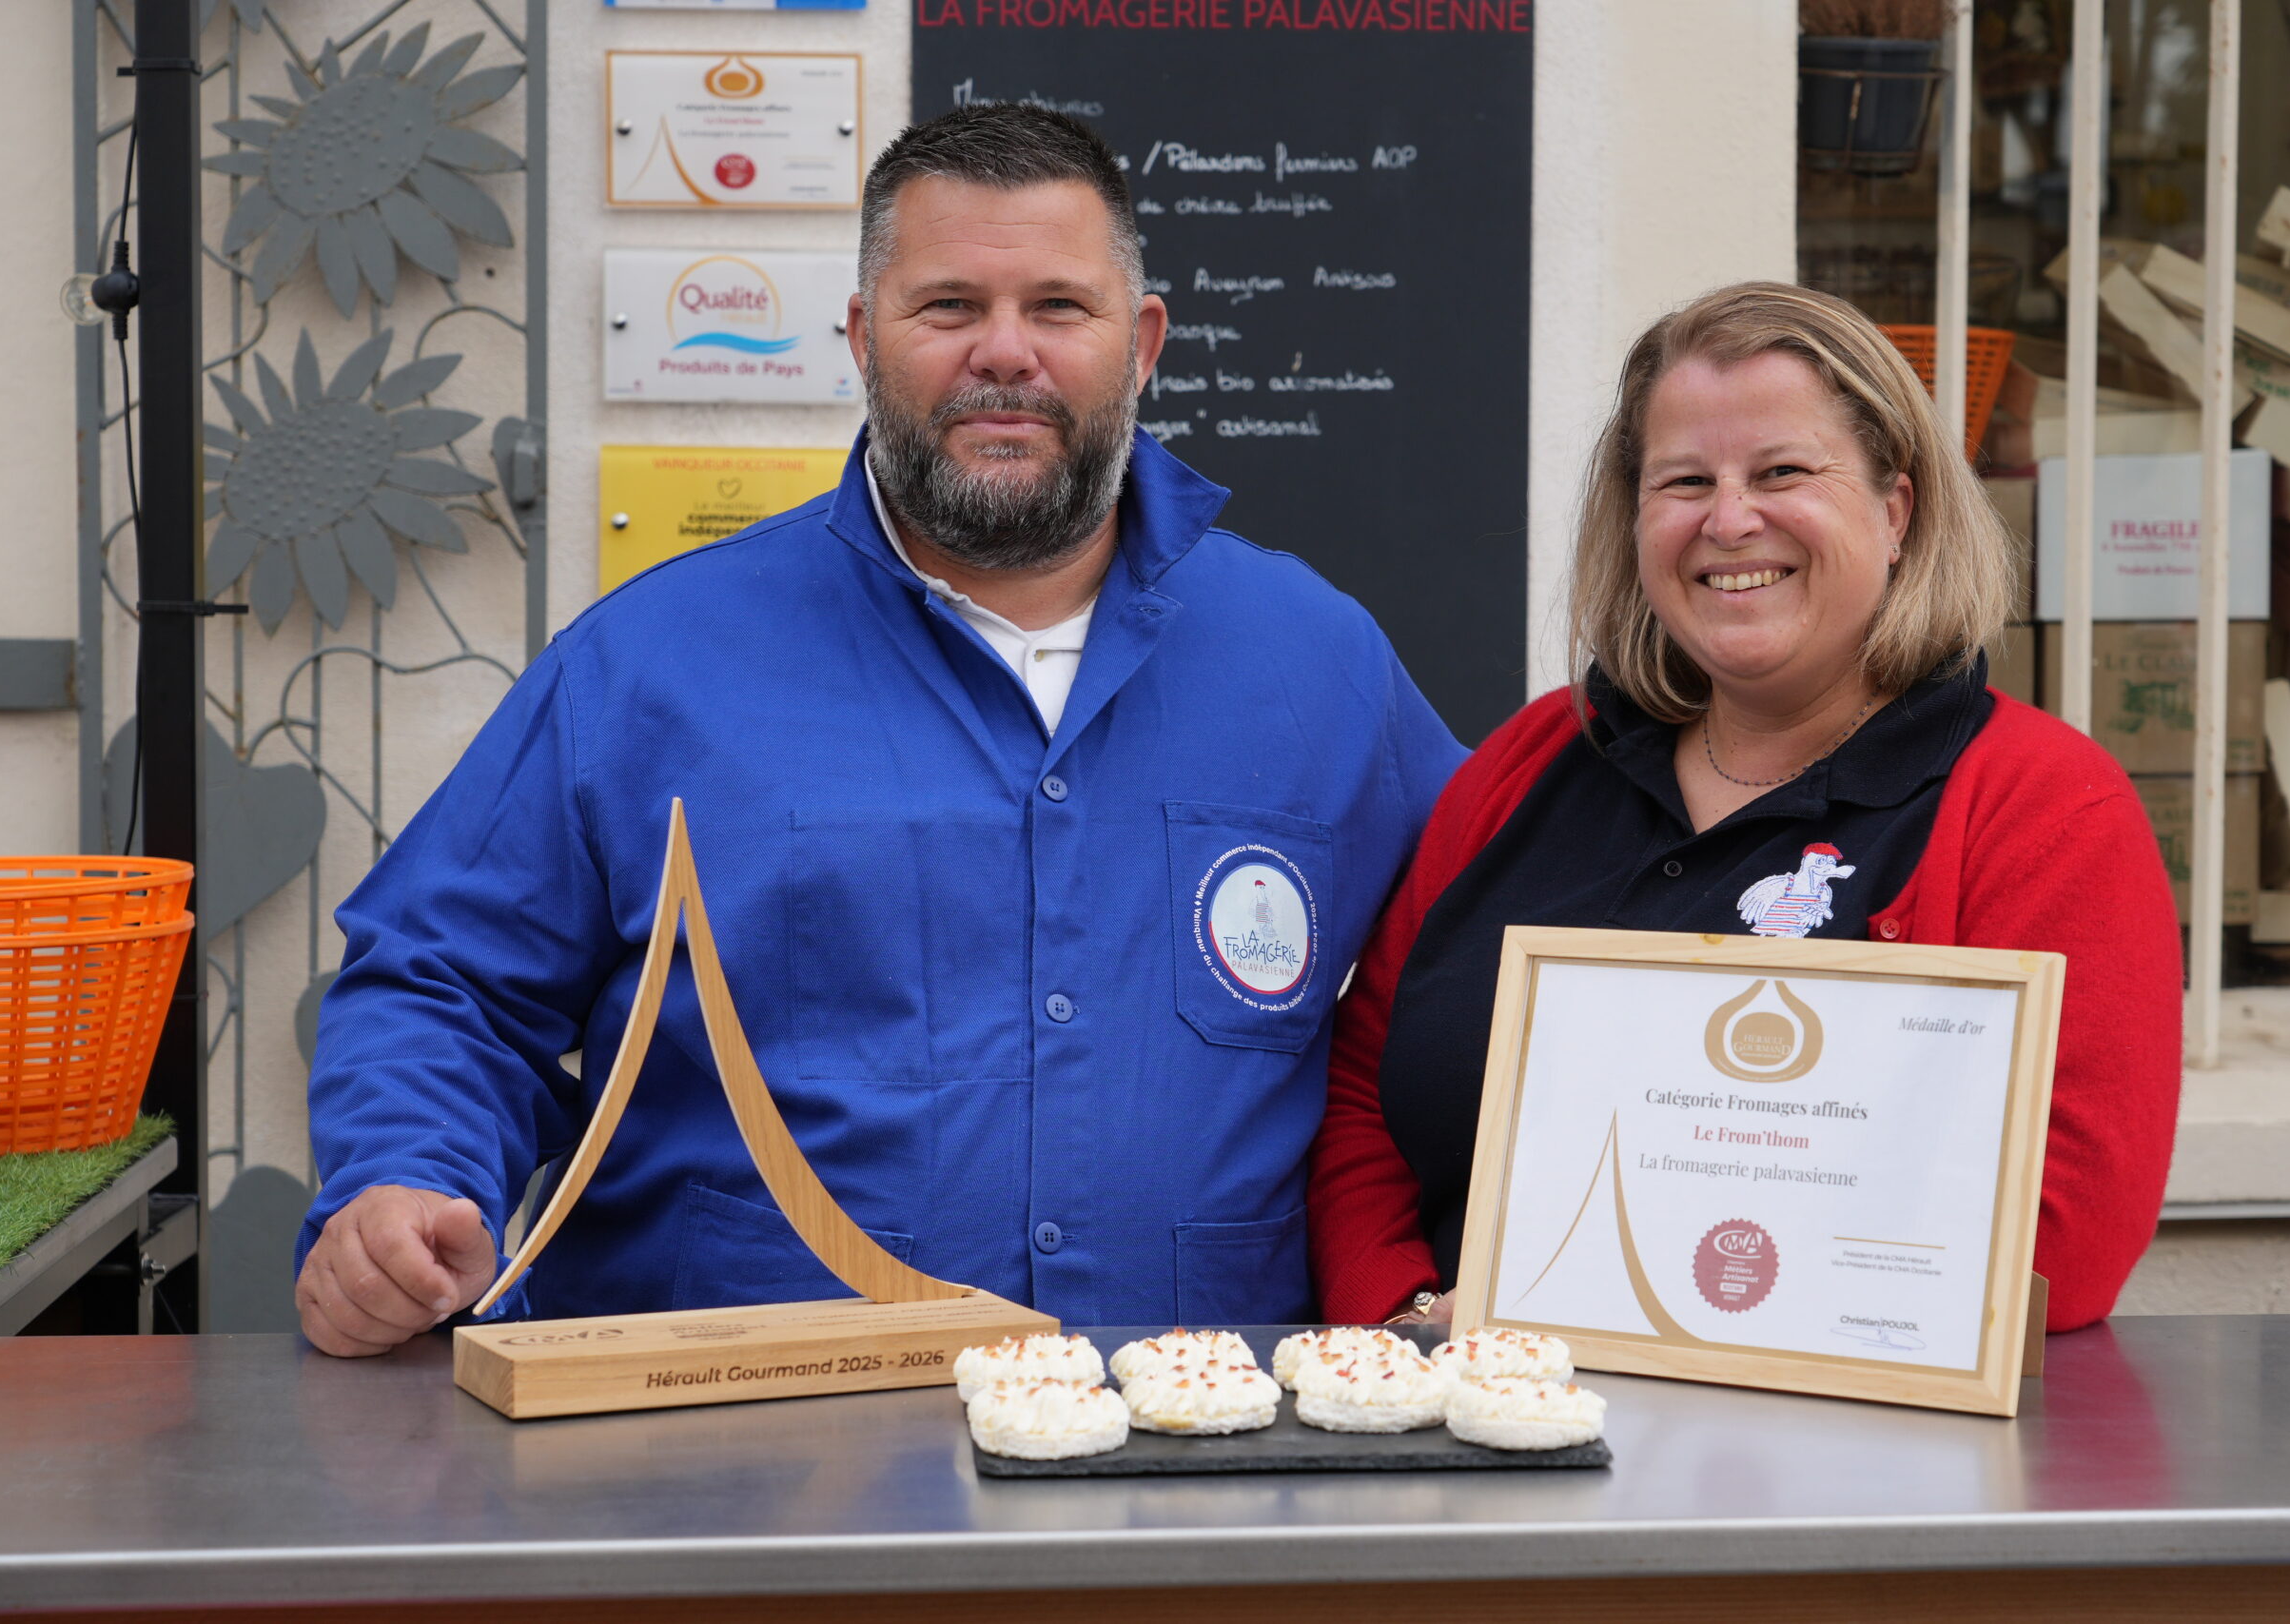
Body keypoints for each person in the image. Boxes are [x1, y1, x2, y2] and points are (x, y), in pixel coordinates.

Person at [295, 105, 1465, 1357]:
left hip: (1188, 1462)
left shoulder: (1317, 661)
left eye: (1059, 308)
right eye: (948, 306)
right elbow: (448, 980)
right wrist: (402, 1173)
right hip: (735, 1473)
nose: (1003, 353)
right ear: (862, 337)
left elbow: (1487, 966)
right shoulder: (650, 665)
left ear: (1143, 344)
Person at [1310, 282, 2181, 1337]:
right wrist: (1400, 1324)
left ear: (1895, 510)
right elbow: (1362, 1099)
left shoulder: (2041, 808)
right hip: (1468, 1436)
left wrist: (1593, 1331)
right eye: (1684, 481)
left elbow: (2065, 1245)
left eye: (1781, 473)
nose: (1729, 521)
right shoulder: (1529, 763)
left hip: (1822, 1470)